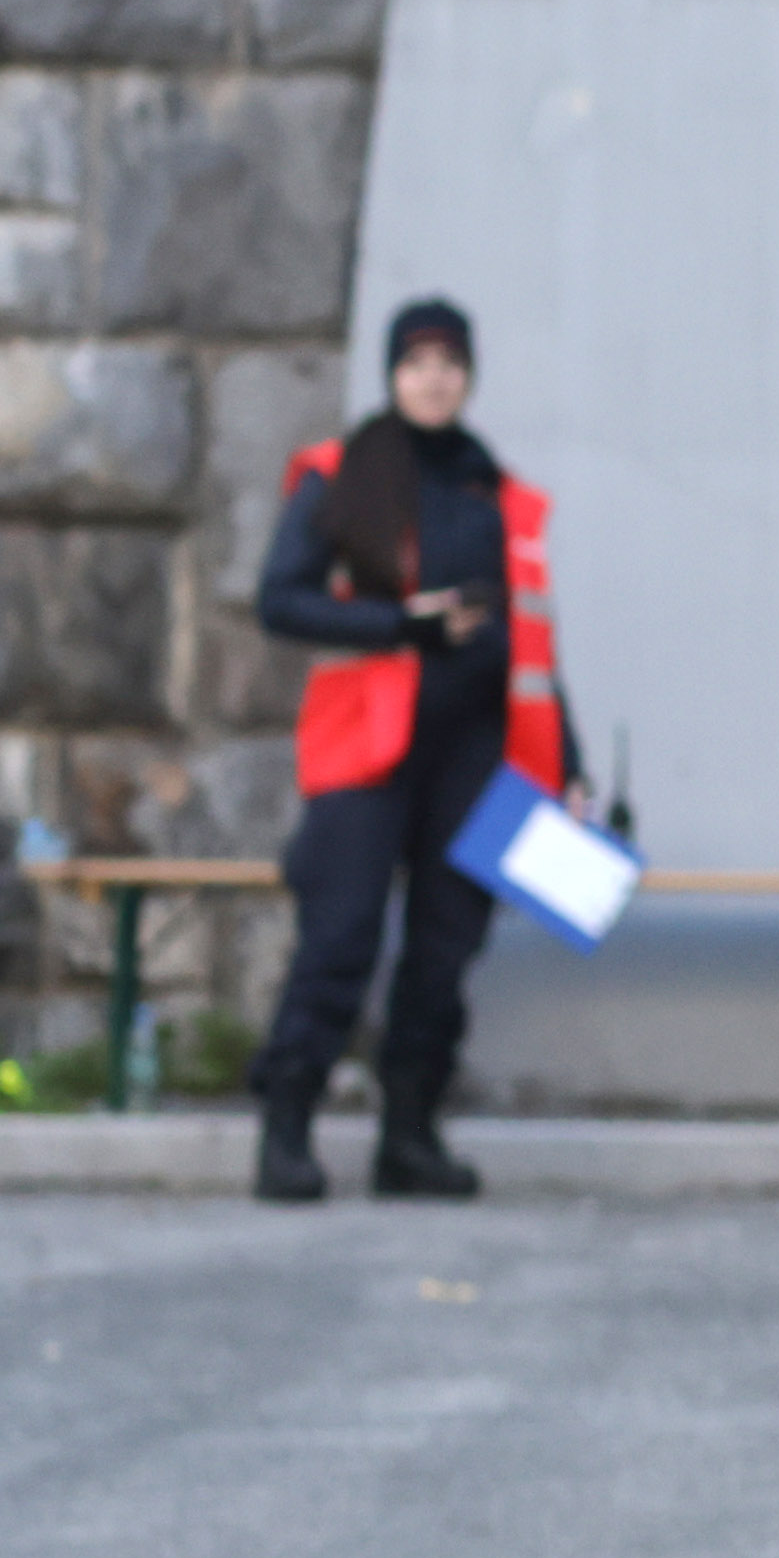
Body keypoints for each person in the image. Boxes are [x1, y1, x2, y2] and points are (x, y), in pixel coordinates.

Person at [247, 297, 565, 1203]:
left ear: (468, 377)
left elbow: (537, 640)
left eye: (449, 363)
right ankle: (286, 1130)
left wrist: (568, 766)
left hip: (476, 753)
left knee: (445, 950)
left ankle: (410, 1138)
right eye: (417, 361)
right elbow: (281, 600)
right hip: (370, 746)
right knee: (339, 939)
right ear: (392, 374)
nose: (434, 377)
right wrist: (403, 624)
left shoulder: (493, 489)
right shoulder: (344, 472)